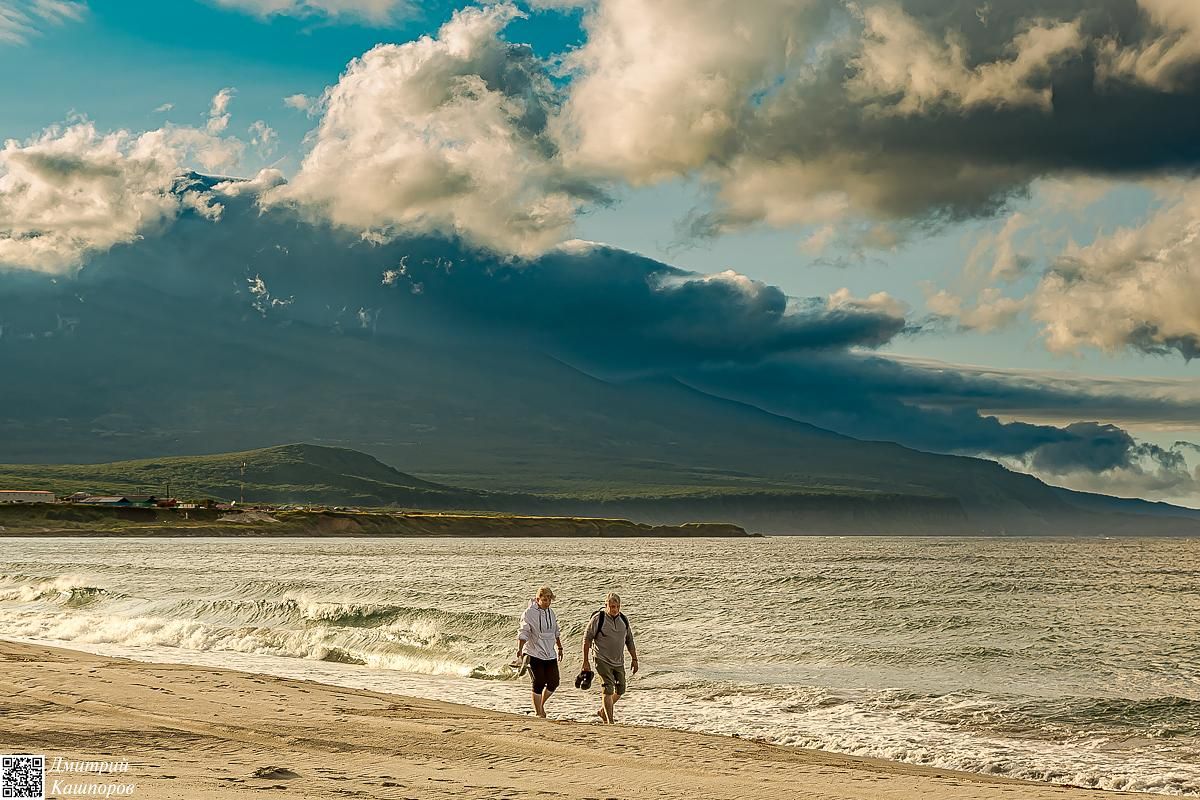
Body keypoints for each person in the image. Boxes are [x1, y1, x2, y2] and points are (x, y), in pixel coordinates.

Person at [581, 592, 638, 724]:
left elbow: (629, 640)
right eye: (612, 607)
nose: (615, 609)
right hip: (601, 659)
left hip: (618, 661)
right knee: (608, 689)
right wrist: (585, 661)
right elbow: (586, 639)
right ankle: (610, 722)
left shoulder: (623, 620)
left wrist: (634, 659)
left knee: (621, 689)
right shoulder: (598, 619)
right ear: (606, 605)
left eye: (617, 607)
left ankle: (603, 711)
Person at [516, 585, 563, 718]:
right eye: (545, 599)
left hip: (550, 653)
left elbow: (555, 631)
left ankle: (540, 705)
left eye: (549, 600)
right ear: (538, 599)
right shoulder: (529, 613)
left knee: (554, 682)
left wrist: (559, 647)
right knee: (539, 682)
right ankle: (538, 713)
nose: (547, 602)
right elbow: (524, 632)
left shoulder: (551, 612)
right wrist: (520, 650)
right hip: (534, 652)